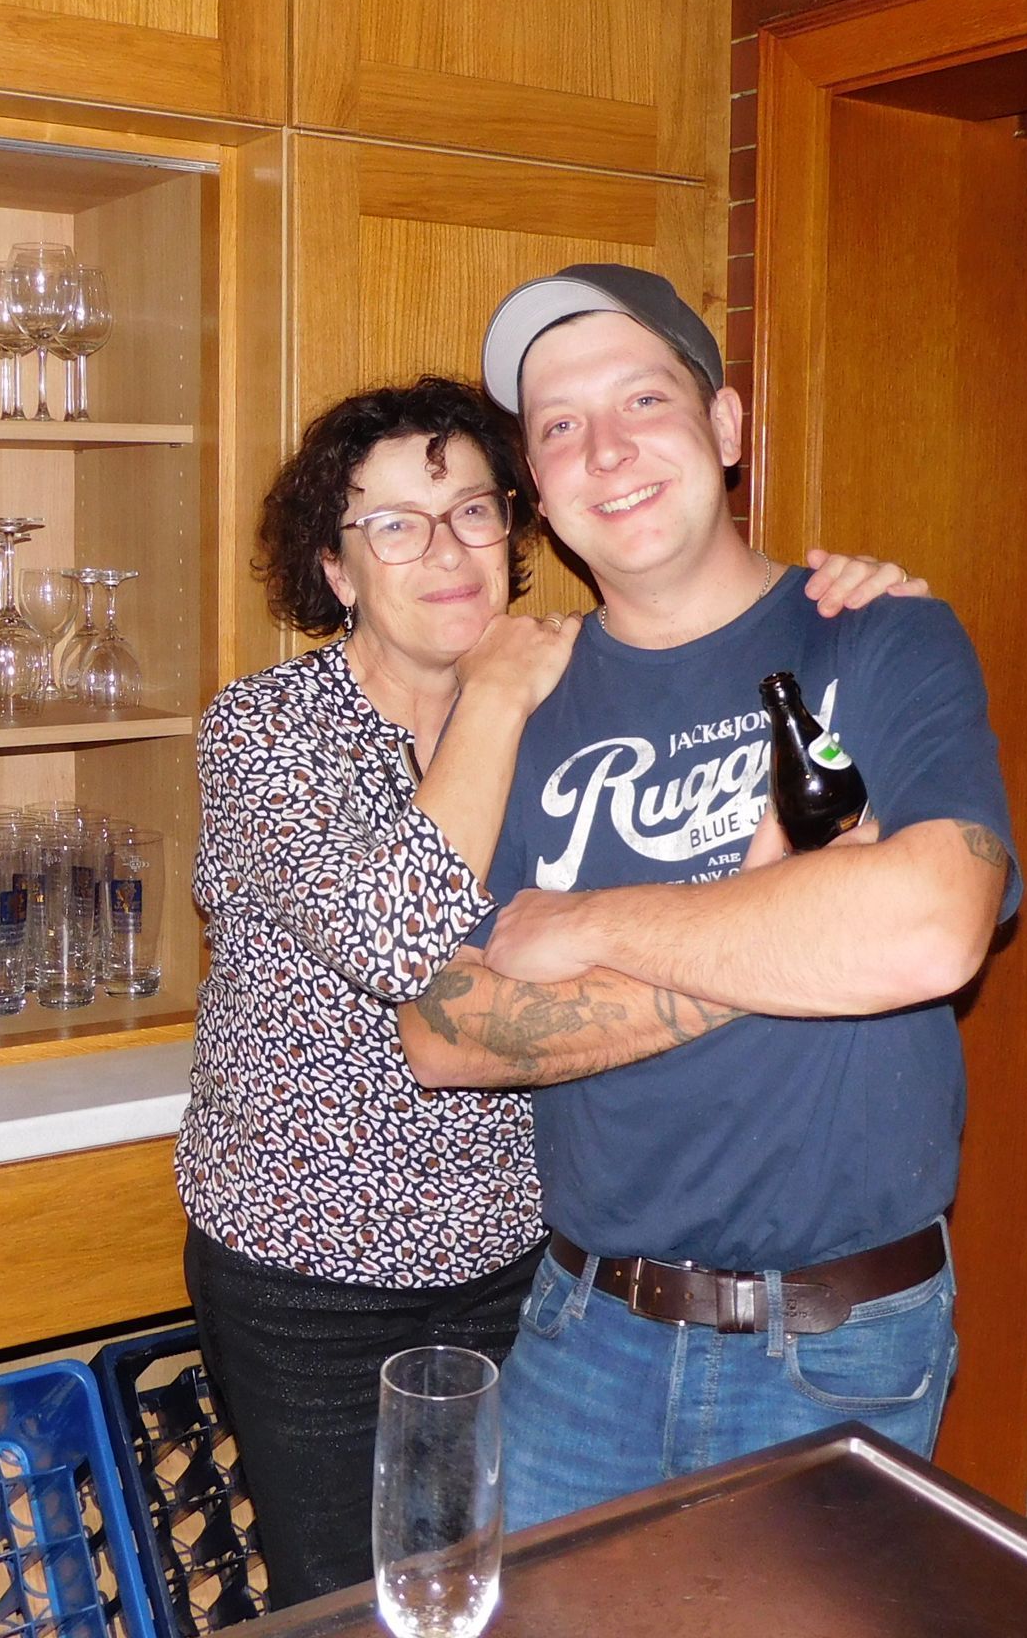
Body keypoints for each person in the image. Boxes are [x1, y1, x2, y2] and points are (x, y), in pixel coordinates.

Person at [175, 373, 922, 1605]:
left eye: (473, 511)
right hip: (310, 1271)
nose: (446, 550)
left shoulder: (581, 695)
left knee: (517, 1595)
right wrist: (499, 695)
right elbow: (398, 941)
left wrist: (860, 604)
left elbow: (750, 684)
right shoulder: (268, 733)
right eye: (395, 526)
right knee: (353, 1604)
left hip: (531, 1263)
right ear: (337, 569)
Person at [396, 263, 1020, 1532]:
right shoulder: (515, 703)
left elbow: (931, 929)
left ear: (728, 426)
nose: (605, 450)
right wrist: (791, 920)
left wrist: (589, 923)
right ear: (539, 491)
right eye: (560, 425)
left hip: (839, 1346)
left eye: (643, 400)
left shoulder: (880, 637)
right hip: (582, 1337)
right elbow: (444, 1031)